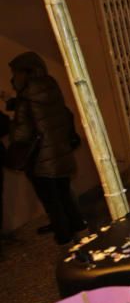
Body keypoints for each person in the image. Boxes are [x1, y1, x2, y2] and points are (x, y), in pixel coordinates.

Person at [7, 52, 85, 245]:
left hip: (41, 159)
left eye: (15, 73)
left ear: (24, 73)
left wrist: (12, 123)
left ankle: (64, 238)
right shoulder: (51, 87)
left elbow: (21, 135)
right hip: (59, 151)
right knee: (64, 193)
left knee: (52, 202)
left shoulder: (26, 100)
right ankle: (78, 227)